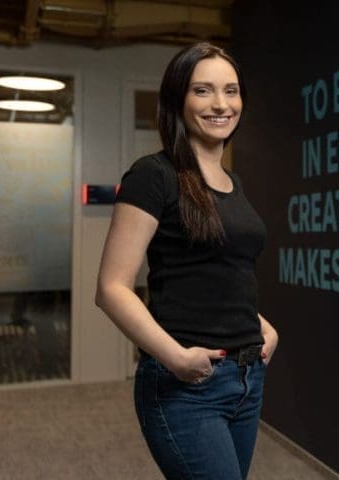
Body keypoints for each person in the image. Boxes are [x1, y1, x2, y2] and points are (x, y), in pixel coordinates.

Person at [96, 42, 278, 479]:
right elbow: (111, 288)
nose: (221, 104)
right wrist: (175, 357)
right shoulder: (153, 175)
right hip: (187, 385)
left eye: (231, 91)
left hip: (247, 378)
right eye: (203, 90)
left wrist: (259, 324)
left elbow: (217, 272)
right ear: (178, 99)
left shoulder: (232, 181)